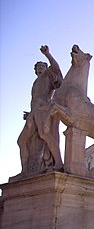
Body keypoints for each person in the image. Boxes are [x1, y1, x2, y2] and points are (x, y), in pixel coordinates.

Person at [17, 45, 64, 176]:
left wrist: (47, 54)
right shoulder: (35, 82)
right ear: (35, 70)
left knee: (45, 134)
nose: (40, 69)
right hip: (34, 111)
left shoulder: (48, 75)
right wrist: (30, 113)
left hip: (43, 108)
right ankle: (25, 171)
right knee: (21, 141)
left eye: (42, 66)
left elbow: (56, 69)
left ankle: (58, 162)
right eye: (38, 67)